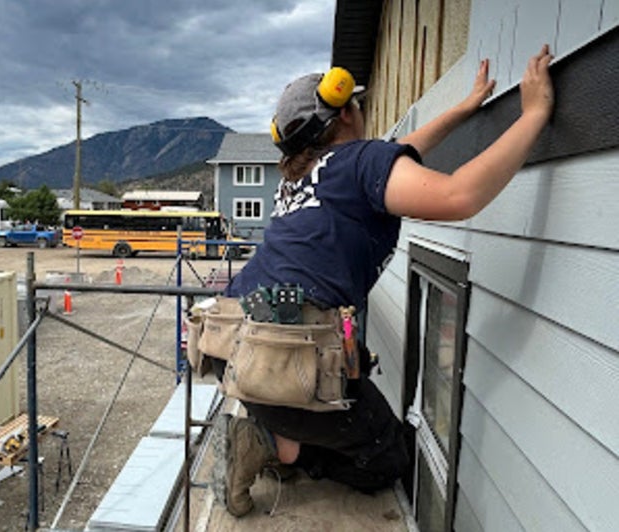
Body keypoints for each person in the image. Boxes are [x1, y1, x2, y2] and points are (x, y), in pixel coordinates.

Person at [209, 44, 555, 517]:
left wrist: (461, 109)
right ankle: (270, 445)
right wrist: (533, 115)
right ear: (347, 112)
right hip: (296, 361)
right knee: (386, 457)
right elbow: (457, 195)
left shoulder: (301, 178)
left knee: (345, 419)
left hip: (247, 358)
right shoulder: (358, 162)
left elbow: (396, 154)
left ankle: (278, 434)